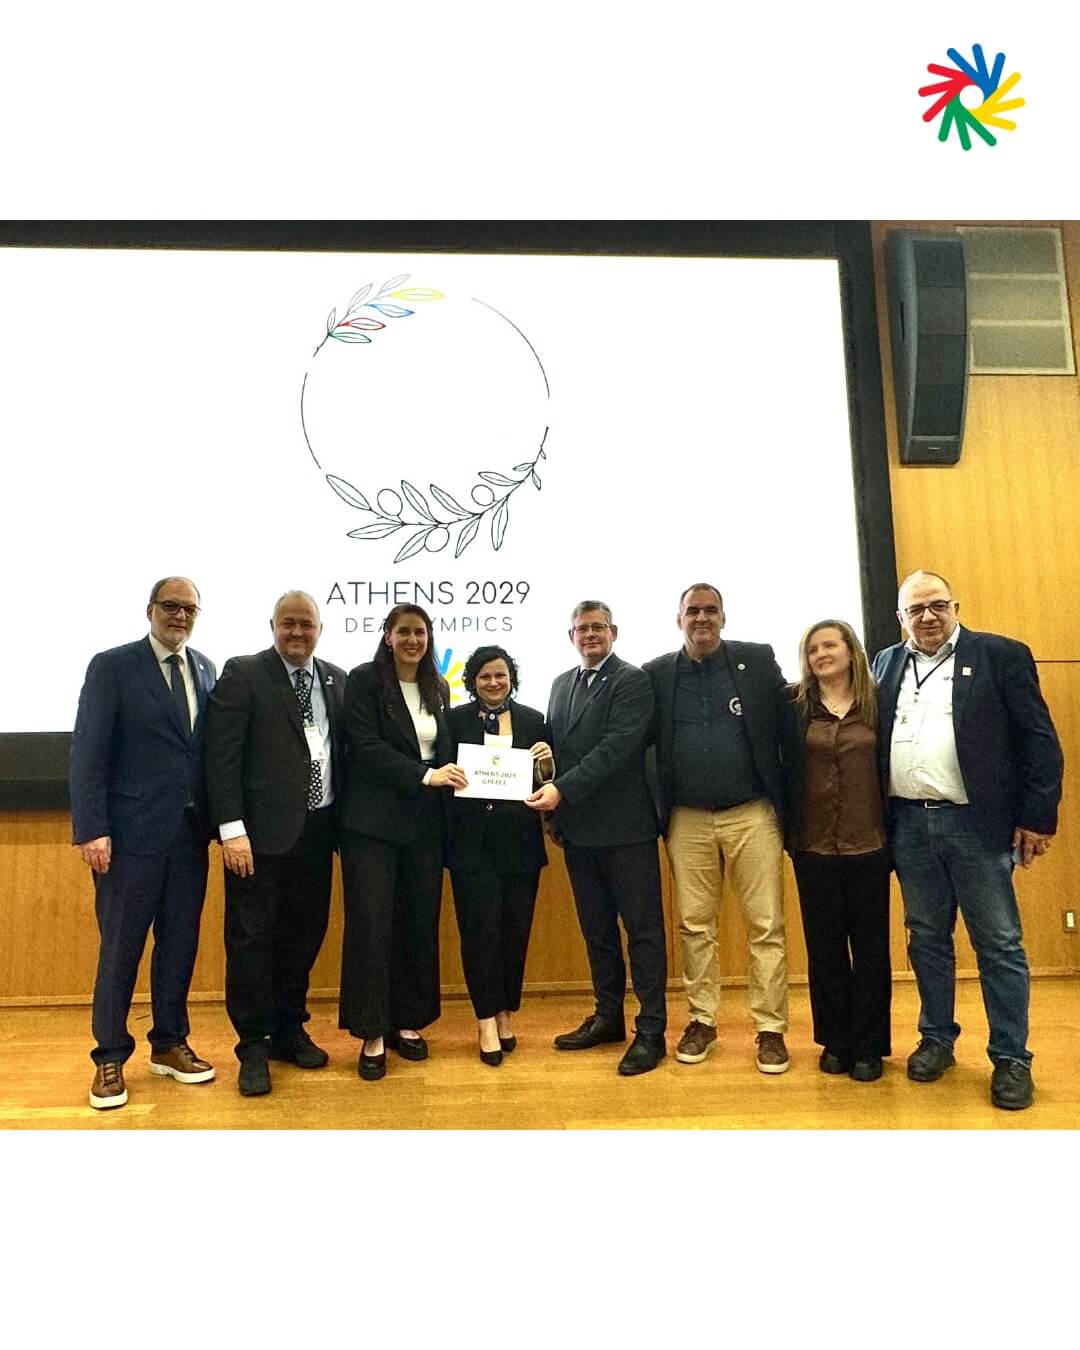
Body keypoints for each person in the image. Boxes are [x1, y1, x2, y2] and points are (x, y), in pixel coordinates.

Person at [873, 570, 1063, 1110]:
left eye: (938, 605)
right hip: (910, 824)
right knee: (926, 938)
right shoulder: (885, 663)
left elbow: (1039, 741)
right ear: (901, 618)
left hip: (976, 826)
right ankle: (936, 1039)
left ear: (955, 607)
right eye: (916, 609)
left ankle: (1011, 1057)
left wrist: (1037, 819)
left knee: (998, 944)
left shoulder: (1000, 655)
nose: (928, 616)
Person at [70, 576, 217, 1110]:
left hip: (188, 837)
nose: (181, 616)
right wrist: (91, 828)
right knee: (121, 950)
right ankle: (109, 1056)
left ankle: (170, 1043)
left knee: (179, 945)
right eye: (171, 606)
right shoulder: (113, 666)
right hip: (128, 838)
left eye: (190, 609)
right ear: (150, 609)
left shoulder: (205, 668)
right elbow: (88, 750)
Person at [644, 583, 791, 1073]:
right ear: (679, 620)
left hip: (752, 812)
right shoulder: (657, 674)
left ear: (724, 618)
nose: (702, 618)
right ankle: (702, 1021)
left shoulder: (756, 660)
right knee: (694, 925)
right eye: (693, 611)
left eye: (711, 610)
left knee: (766, 925)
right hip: (686, 818)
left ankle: (770, 1029)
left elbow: (789, 723)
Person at [206, 591, 346, 1097]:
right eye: (289, 623)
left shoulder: (336, 679)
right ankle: (253, 1045)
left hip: (319, 832)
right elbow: (221, 756)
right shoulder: (244, 673)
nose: (298, 632)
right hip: (258, 838)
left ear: (320, 629)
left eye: (306, 624)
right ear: (272, 626)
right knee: (251, 941)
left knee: (303, 936)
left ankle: (289, 1028)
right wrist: (231, 828)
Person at [526, 601, 668, 1077]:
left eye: (598, 627)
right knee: (597, 932)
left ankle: (651, 1030)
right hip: (579, 831)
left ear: (614, 632)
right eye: (581, 628)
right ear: (571, 636)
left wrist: (562, 789)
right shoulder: (560, 684)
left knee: (643, 933)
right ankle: (608, 1017)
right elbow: (560, 753)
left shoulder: (632, 681)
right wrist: (545, 768)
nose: (590, 634)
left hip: (626, 830)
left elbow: (616, 748)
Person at [338, 605, 465, 1081]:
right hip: (371, 825)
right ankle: (372, 1032)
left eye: (420, 632)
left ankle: (408, 1021)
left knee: (418, 922)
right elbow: (365, 746)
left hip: (425, 825)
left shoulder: (439, 686)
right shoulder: (364, 680)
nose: (413, 640)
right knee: (371, 925)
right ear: (387, 637)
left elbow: (446, 749)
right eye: (404, 632)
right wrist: (426, 775)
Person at [784, 620, 891, 1081]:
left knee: (871, 951)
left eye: (830, 645)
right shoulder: (794, 707)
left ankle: (868, 1046)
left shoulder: (879, 703)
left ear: (851, 650)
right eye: (812, 649)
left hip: (869, 844)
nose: (821, 655)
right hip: (814, 848)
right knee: (824, 950)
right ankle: (835, 1041)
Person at [448, 645, 553, 1065]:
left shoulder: (533, 720)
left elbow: (545, 781)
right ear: (472, 681)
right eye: (485, 676)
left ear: (512, 679)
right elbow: (443, 777)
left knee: (514, 932)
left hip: (520, 844)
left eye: (501, 675)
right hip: (470, 846)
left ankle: (507, 1011)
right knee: (480, 933)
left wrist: (547, 765)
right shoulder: (454, 720)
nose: (494, 683)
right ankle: (485, 1020)